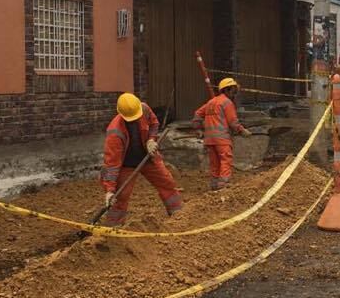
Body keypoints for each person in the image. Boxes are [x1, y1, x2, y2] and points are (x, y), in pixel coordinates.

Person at [101, 93, 183, 225]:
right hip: (127, 164)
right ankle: (113, 227)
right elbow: (111, 164)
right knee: (119, 197)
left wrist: (151, 139)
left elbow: (154, 123)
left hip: (147, 157)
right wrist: (109, 191)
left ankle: (178, 213)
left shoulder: (144, 109)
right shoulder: (114, 132)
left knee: (167, 182)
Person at [192, 77, 252, 190]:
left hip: (209, 139)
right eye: (233, 91)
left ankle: (214, 184)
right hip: (222, 138)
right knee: (226, 159)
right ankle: (223, 184)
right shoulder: (227, 103)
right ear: (227, 90)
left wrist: (198, 129)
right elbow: (233, 122)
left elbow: (197, 114)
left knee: (214, 162)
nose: (234, 94)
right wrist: (242, 130)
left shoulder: (211, 102)